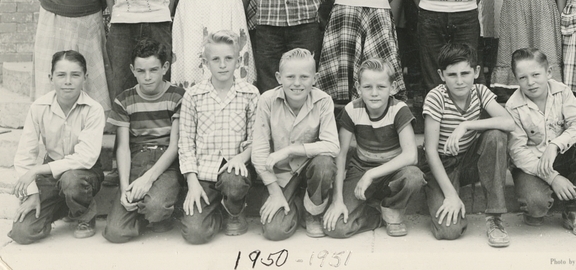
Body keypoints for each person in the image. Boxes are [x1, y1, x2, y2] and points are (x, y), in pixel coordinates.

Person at [420, 43, 514, 247]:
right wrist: (451, 195)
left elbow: (509, 122)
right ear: (441, 75)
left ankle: (495, 218)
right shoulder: (436, 97)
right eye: (452, 75)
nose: (460, 81)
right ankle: (439, 192)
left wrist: (467, 124)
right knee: (449, 231)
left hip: (469, 162)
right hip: (442, 166)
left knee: (496, 135)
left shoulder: (480, 91)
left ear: (476, 71)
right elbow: (430, 151)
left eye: (465, 73)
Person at [9, 51, 105, 243]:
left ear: (85, 77)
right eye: (61, 75)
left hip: (83, 172)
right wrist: (33, 193)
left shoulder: (93, 110)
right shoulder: (39, 107)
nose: (67, 81)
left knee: (71, 180)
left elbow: (85, 158)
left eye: (75, 75)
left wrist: (37, 170)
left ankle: (85, 215)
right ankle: (63, 206)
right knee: (23, 232)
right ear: (51, 77)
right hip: (51, 173)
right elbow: (24, 156)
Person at [506, 48, 576, 238]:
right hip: (531, 165)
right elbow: (517, 152)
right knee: (536, 206)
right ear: (516, 79)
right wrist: (552, 178)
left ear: (548, 72)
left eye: (536, 75)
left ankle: (573, 209)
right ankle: (539, 200)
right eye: (523, 78)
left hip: (559, 157)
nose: (531, 82)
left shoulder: (562, 92)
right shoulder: (513, 106)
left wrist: (555, 145)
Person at [323, 59, 423, 238]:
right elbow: (341, 154)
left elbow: (411, 156)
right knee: (336, 228)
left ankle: (392, 209)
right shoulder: (352, 110)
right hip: (361, 169)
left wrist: (372, 174)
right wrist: (337, 200)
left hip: (393, 171)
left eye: (381, 87)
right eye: (368, 87)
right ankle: (376, 215)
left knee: (414, 176)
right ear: (358, 88)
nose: (374, 93)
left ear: (392, 88)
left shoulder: (399, 110)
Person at [178, 30, 260, 243]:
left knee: (233, 181)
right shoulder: (193, 95)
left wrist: (241, 158)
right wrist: (192, 182)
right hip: (203, 174)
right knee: (195, 234)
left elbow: (256, 139)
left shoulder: (250, 94)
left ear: (238, 60)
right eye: (216, 59)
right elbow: (185, 143)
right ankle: (216, 212)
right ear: (206, 63)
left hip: (235, 172)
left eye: (228, 58)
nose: (222, 65)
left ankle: (234, 209)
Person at [102, 39, 185, 243]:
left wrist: (147, 180)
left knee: (156, 206)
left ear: (165, 67)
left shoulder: (178, 96)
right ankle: (143, 216)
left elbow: (174, 146)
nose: (147, 78)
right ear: (132, 69)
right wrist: (124, 189)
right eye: (141, 71)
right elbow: (122, 148)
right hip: (137, 158)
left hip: (166, 161)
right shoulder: (124, 100)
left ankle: (159, 212)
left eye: (153, 70)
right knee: (115, 233)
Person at [251, 49, 339, 240]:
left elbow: (333, 145)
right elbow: (258, 152)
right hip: (282, 176)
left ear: (315, 78)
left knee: (324, 163)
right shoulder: (267, 100)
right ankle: (297, 202)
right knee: (275, 231)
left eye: (304, 77)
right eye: (290, 76)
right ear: (278, 77)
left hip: (311, 171)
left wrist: (289, 150)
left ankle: (313, 212)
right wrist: (275, 192)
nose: (297, 83)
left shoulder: (323, 101)